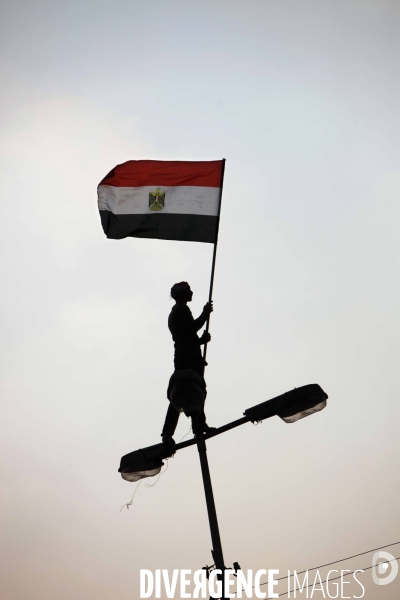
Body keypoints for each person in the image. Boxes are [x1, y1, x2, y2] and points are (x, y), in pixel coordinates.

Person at [161, 282, 215, 442]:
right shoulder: (181, 309)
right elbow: (192, 327)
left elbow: (186, 337)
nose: (191, 293)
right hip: (189, 356)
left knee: (181, 391)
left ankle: (168, 433)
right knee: (197, 388)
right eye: (188, 291)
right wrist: (205, 314)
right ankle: (200, 423)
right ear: (182, 294)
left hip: (183, 354)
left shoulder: (174, 312)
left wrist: (200, 341)